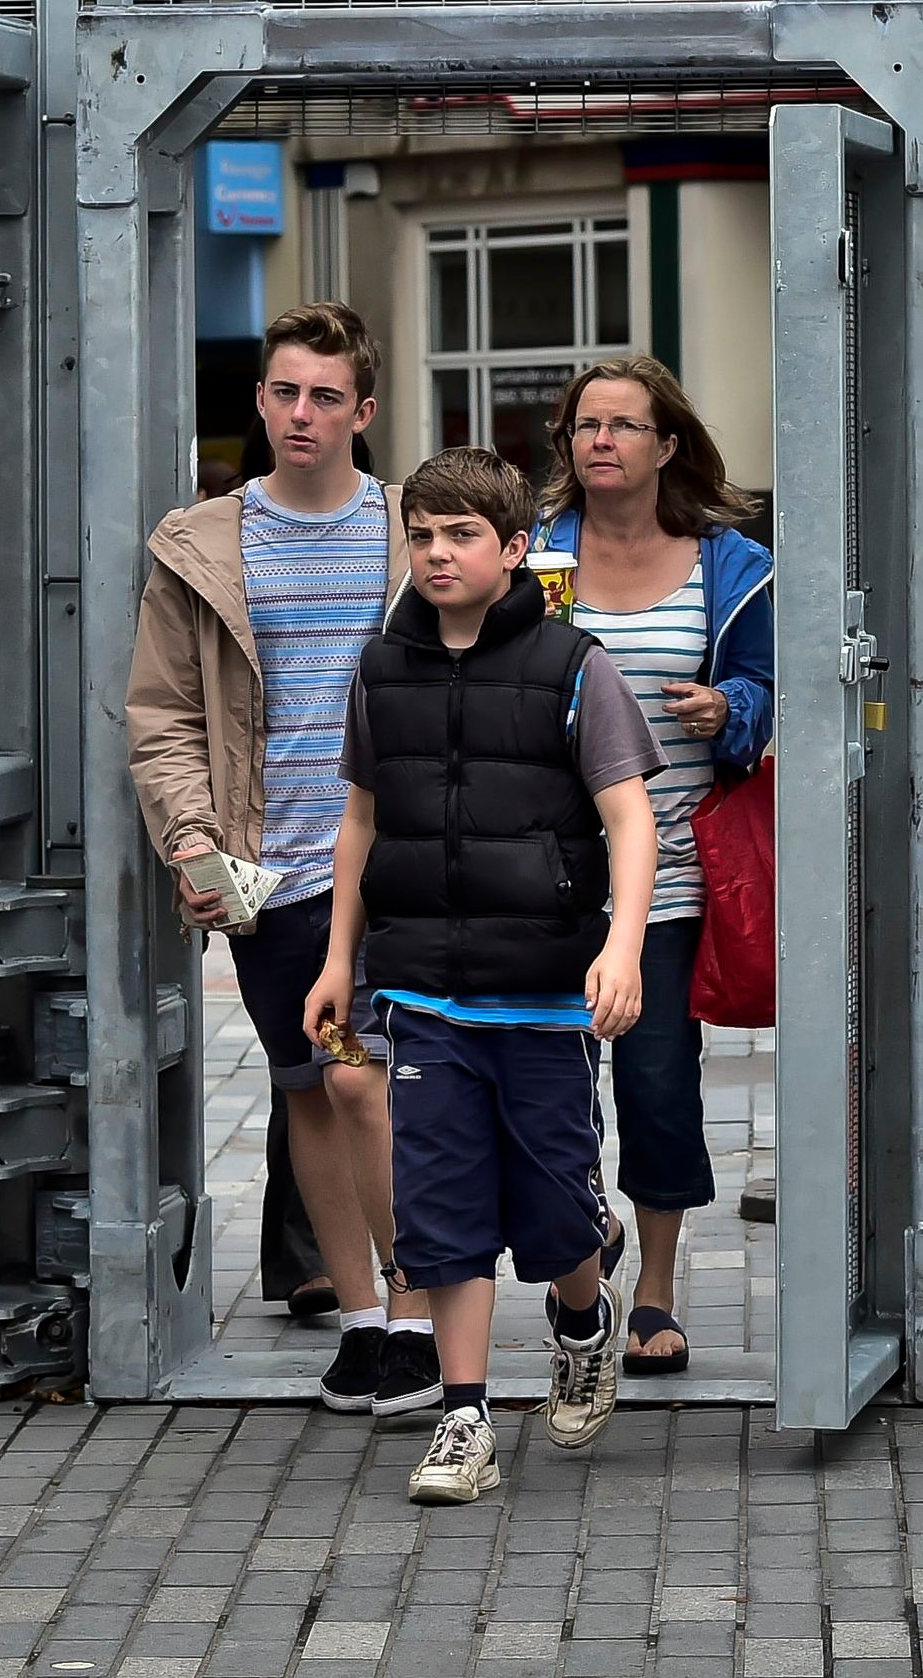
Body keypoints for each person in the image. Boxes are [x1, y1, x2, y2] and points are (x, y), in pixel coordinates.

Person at [304, 446, 661, 1507]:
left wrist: (623, 942)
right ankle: (464, 1415)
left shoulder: (571, 666)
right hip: (424, 994)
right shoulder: (381, 669)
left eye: (461, 535)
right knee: (441, 1209)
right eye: (420, 535)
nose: (437, 553)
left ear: (514, 549)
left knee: (558, 1207)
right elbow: (360, 823)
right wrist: (338, 961)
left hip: (545, 991)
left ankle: (581, 1320)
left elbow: (629, 816)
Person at [126, 302, 433, 1410]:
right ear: (258, 399)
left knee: (364, 1080)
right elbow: (159, 712)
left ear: (363, 408)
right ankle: (361, 1320)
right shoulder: (201, 541)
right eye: (282, 392)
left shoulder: (414, 527)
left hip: (400, 869)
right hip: (271, 875)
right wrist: (192, 834)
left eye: (323, 396)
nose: (299, 414)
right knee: (306, 1086)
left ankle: (417, 1302)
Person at [536, 353, 775, 1378]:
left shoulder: (728, 563)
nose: (600, 440)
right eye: (585, 425)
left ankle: (658, 1289)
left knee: (656, 1082)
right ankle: (588, 1228)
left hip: (672, 874)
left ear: (665, 444)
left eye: (622, 424)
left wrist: (730, 710)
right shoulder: (535, 559)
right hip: (546, 874)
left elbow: (767, 681)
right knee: (551, 1083)